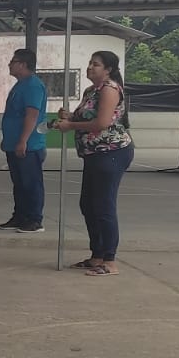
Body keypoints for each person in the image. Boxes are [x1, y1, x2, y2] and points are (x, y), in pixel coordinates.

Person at [53, 51, 133, 276]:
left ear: (108, 70)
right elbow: (87, 116)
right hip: (93, 153)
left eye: (96, 64)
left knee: (103, 205)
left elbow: (102, 122)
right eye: (90, 63)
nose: (90, 67)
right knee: (88, 204)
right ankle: (97, 254)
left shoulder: (109, 89)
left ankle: (109, 260)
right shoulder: (91, 91)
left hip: (111, 152)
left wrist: (71, 126)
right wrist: (70, 116)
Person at [0, 47, 48, 233]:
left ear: (23, 64)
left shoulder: (32, 86)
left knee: (31, 183)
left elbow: (32, 114)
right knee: (19, 184)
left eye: (13, 62)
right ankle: (20, 216)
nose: (9, 65)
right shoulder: (20, 85)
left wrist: (23, 140)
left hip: (29, 145)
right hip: (14, 144)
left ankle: (34, 219)